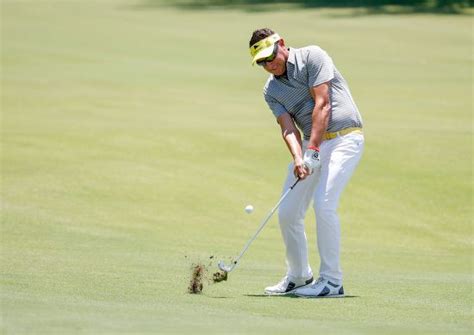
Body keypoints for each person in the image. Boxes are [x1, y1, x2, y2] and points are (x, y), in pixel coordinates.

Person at [248, 28, 364, 298]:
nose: (269, 65)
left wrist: (312, 149)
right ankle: (299, 276)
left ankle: (332, 282)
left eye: (270, 57)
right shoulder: (271, 90)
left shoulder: (313, 56)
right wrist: (299, 157)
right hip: (313, 145)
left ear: (282, 45)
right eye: (262, 63)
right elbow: (288, 128)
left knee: (324, 205)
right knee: (288, 212)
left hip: (344, 139)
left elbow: (323, 104)